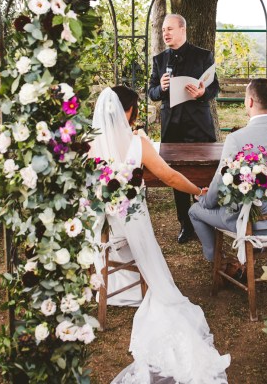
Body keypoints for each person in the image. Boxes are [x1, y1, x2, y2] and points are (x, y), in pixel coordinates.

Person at [91, 86, 230, 384]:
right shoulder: (137, 143)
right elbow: (168, 176)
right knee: (165, 291)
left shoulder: (90, 145)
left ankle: (115, 283)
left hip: (103, 230)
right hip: (132, 225)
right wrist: (197, 190)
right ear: (128, 111)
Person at [189, 78, 267, 264]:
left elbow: (220, 181)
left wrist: (205, 201)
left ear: (250, 101)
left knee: (195, 210)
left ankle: (220, 261)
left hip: (250, 221)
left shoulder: (237, 139)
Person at [148, 14, 220, 244]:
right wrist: (160, 87)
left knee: (205, 174)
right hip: (172, 127)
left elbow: (214, 87)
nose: (165, 33)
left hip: (199, 124)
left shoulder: (202, 55)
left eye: (169, 29)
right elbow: (150, 93)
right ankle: (185, 224)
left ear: (182, 29)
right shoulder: (159, 60)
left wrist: (202, 93)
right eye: (162, 30)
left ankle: (206, 220)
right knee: (176, 174)